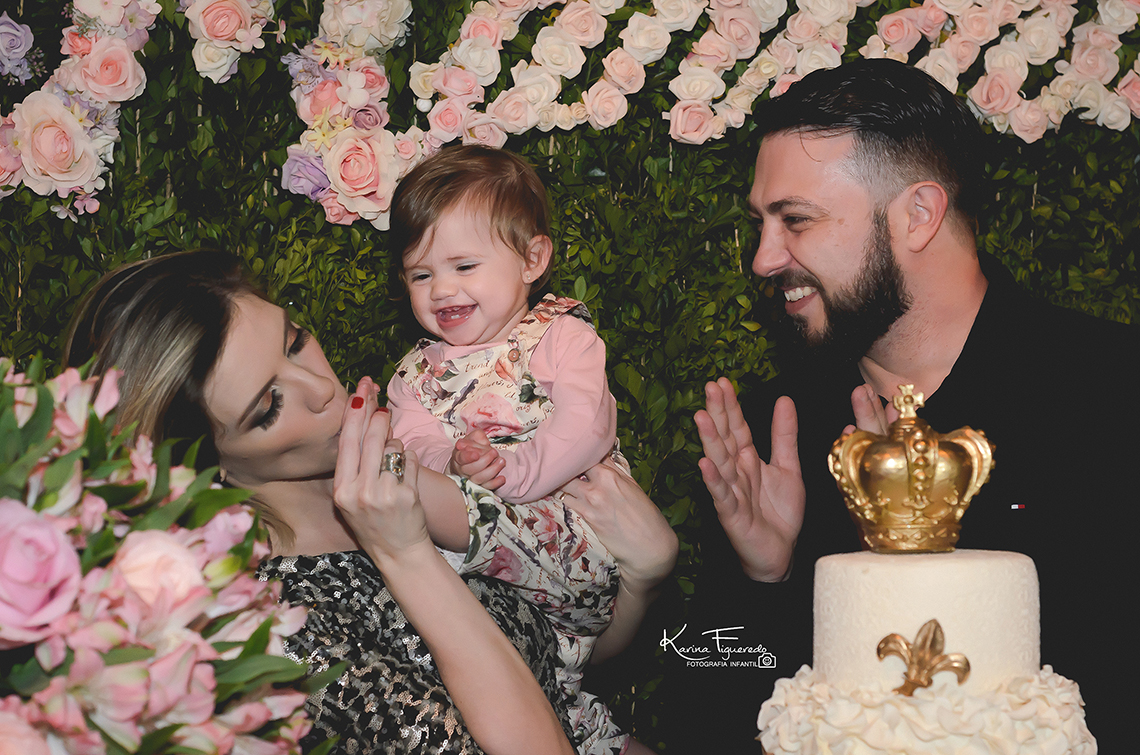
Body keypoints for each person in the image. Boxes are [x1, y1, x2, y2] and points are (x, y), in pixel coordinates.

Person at [675, 58, 1136, 751]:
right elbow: (703, 701)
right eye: (762, 223)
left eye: (795, 220)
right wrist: (762, 578)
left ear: (918, 214)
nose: (765, 258)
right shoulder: (776, 433)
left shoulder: (1109, 390)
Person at [64, 249, 676, 755]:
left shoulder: (403, 463)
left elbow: (566, 647)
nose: (323, 389)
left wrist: (645, 578)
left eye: (296, 341)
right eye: (269, 407)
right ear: (205, 462)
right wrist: (406, 553)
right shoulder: (275, 631)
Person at [386, 146, 649, 755]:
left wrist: (517, 470)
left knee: (420, 539)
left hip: (573, 538)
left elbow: (587, 425)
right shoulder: (415, 375)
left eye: (464, 266)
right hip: (505, 599)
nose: (442, 289)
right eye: (421, 274)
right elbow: (415, 437)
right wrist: (449, 459)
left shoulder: (560, 336)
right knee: (548, 696)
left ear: (533, 259)